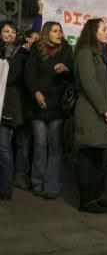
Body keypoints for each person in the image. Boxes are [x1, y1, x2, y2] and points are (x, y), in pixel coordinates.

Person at [24, 22, 73, 198]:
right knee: (39, 145)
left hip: (58, 106)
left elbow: (74, 74)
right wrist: (35, 92)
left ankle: (51, 185)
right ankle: (37, 182)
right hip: (39, 105)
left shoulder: (67, 50)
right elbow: (28, 74)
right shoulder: (37, 49)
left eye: (60, 31)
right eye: (55, 31)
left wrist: (67, 69)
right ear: (47, 33)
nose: (59, 34)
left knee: (55, 146)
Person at [73, 18, 107, 214]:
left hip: (99, 112)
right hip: (91, 112)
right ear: (93, 32)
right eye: (104, 29)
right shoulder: (84, 54)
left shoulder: (100, 54)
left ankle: (97, 195)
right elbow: (89, 83)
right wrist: (103, 109)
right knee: (88, 156)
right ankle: (86, 200)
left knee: (100, 156)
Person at [0, 21, 29, 200]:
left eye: (12, 31)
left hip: (8, 106)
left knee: (3, 147)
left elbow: (11, 78)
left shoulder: (20, 53)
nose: (10, 34)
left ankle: (5, 189)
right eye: (5, 31)